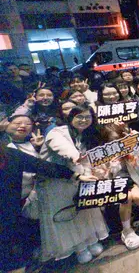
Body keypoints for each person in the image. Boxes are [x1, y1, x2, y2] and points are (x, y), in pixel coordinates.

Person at [0, 136, 96, 273]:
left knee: (13, 255)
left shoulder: (10, 155)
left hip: (10, 214)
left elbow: (41, 166)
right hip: (8, 216)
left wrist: (76, 176)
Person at [37, 103, 109, 264]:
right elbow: (63, 148)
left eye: (88, 117)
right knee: (67, 215)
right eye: (80, 117)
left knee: (85, 211)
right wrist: (75, 155)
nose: (84, 120)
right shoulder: (56, 132)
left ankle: (91, 241)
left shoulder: (85, 135)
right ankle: (79, 248)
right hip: (56, 182)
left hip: (80, 178)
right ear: (71, 118)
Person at [93, 124, 139, 250]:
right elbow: (101, 175)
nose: (116, 143)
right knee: (126, 197)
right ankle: (127, 231)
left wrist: (134, 143)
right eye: (111, 141)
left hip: (134, 181)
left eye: (118, 139)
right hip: (114, 185)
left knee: (137, 195)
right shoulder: (102, 154)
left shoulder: (129, 146)